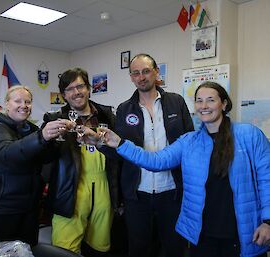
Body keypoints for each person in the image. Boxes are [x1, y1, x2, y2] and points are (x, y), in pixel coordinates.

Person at [87, 81, 270, 257]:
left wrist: (268, 222)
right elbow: (155, 161)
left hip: (243, 232)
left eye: (211, 100)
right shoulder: (189, 141)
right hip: (202, 234)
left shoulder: (249, 135)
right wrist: (119, 143)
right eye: (199, 100)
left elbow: (267, 179)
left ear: (223, 104)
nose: (204, 105)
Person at [99, 53, 194, 257]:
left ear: (156, 72)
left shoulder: (176, 102)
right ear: (131, 77)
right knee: (139, 248)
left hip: (172, 191)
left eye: (145, 71)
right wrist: (99, 143)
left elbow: (190, 144)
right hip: (137, 194)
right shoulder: (124, 109)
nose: (141, 77)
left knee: (174, 247)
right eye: (136, 73)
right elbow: (119, 150)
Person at [0, 85, 67, 246]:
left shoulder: (31, 129)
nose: (24, 105)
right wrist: (42, 136)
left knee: (27, 250)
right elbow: (8, 154)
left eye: (28, 101)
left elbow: (46, 158)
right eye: (18, 101)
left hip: (28, 208)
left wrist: (56, 138)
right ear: (6, 105)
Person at [43, 68, 120, 256]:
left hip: (104, 188)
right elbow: (44, 157)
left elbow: (120, 153)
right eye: (69, 89)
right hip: (69, 189)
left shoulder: (108, 115)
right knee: (64, 249)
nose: (76, 92)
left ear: (88, 88)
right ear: (64, 95)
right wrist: (48, 138)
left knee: (99, 247)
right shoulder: (54, 119)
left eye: (80, 86)